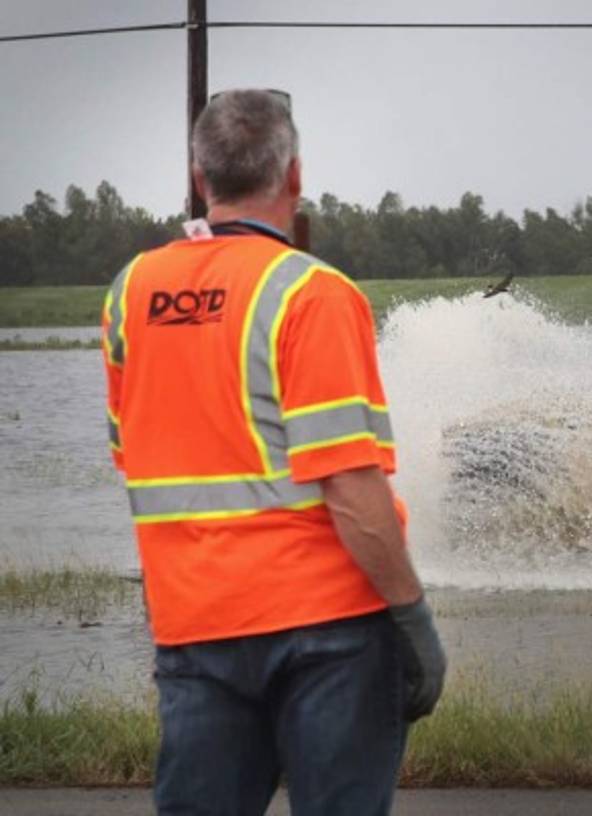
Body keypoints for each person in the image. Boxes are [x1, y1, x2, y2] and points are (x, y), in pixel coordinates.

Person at [101, 89, 445, 815]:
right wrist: (412, 617)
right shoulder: (312, 294)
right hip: (329, 633)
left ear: (201, 177)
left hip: (195, 626)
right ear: (294, 177)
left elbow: (132, 456)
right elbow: (351, 484)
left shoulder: (129, 293)